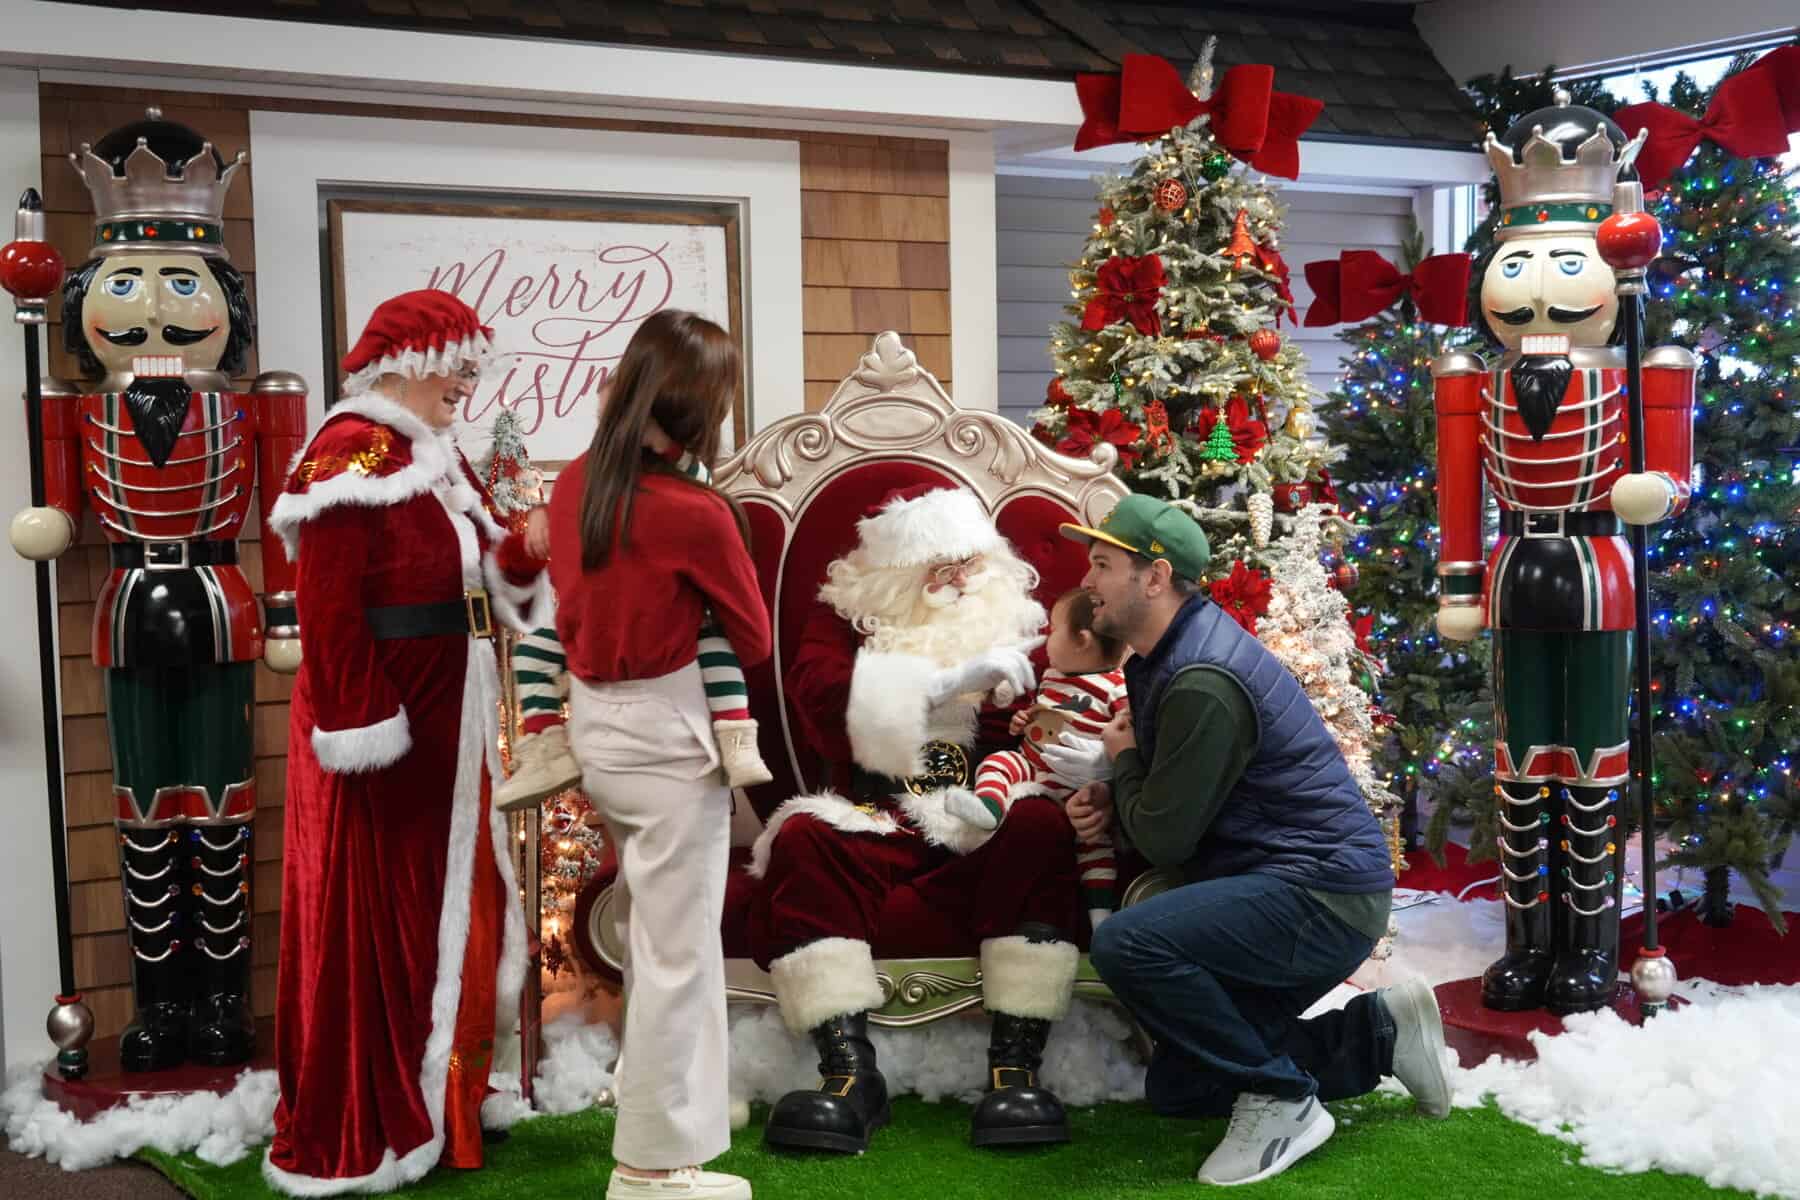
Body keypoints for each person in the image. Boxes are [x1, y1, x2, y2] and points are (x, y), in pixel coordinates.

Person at [1058, 494, 1452, 1187]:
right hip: (1289, 883)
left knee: (1126, 943)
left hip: (1321, 895)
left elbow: (1166, 840)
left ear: (1155, 577)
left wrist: (1123, 766)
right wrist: (1117, 791)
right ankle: (1380, 1033)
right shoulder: (1165, 656)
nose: (1087, 581)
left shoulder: (1202, 679)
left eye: (1102, 565)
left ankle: (1281, 1100)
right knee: (1182, 1087)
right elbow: (1177, 793)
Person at [264, 290, 550, 1192]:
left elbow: (488, 571)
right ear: (406, 363)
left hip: (452, 718)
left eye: (470, 368)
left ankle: (450, 1099)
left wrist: (533, 546)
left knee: (452, 903)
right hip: (389, 732)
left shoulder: (436, 455)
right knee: (389, 916)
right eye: (454, 366)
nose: (465, 383)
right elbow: (328, 607)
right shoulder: (354, 450)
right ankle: (381, 1115)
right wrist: (362, 726)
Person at [747, 483, 1084, 1153]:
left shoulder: (1019, 616)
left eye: (969, 563)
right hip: (881, 813)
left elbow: (1069, 709)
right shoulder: (848, 614)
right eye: (939, 568)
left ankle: (1015, 1070)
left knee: (1042, 827)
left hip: (986, 810)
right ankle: (850, 1075)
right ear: (894, 574)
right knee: (804, 837)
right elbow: (817, 696)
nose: (959, 580)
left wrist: (1084, 767)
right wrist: (941, 685)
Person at [545, 309, 770, 1200]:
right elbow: (753, 636)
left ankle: (670, 1129)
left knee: (654, 943)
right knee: (678, 956)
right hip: (671, 740)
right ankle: (648, 1167)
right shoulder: (694, 512)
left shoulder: (576, 483)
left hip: (598, 730)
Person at [496, 423, 772, 812]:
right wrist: (541, 515)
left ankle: (737, 736)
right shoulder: (590, 478)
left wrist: (666, 446)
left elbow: (701, 487)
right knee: (529, 655)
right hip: (594, 616)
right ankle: (548, 749)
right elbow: (560, 522)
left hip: (671, 618)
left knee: (715, 647)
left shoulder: (682, 484)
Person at [947, 587, 1130, 929]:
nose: (1047, 638)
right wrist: (1023, 720)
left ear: (1082, 640)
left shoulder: (1117, 687)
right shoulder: (1053, 676)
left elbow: (1129, 733)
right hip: (1031, 765)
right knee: (998, 762)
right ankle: (988, 808)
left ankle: (1101, 916)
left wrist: (1110, 766)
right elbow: (1041, 713)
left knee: (1094, 845)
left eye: (1054, 630)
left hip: (1081, 784)